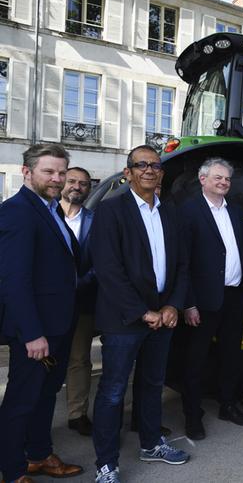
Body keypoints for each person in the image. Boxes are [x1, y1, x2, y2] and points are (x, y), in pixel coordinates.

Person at [90, 145, 189, 483]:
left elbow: (181, 266)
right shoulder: (110, 211)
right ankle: (106, 464)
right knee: (113, 391)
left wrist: (172, 305)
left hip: (163, 317)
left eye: (155, 165)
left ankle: (151, 444)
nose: (149, 170)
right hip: (124, 320)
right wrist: (142, 312)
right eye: (141, 165)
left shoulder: (170, 212)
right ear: (128, 172)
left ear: (161, 173)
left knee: (152, 384)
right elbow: (108, 270)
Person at [0, 144, 83, 482]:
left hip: (58, 324)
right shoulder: (17, 211)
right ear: (27, 172)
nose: (57, 178)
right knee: (21, 401)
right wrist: (32, 333)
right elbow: (14, 280)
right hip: (36, 331)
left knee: (46, 395)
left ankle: (38, 454)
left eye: (61, 172)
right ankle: (12, 470)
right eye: (49, 172)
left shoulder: (51, 208)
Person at [180, 158, 243, 440]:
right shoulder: (189, 211)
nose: (223, 182)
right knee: (196, 359)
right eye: (217, 178)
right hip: (203, 300)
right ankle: (192, 415)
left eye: (227, 179)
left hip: (234, 294)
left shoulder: (235, 211)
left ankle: (228, 405)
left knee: (231, 355)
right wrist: (188, 303)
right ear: (203, 180)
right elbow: (183, 262)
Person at [60, 166, 97, 437]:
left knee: (79, 360)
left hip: (83, 301)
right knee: (44, 361)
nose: (77, 187)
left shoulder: (95, 220)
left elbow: (102, 262)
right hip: (48, 304)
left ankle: (77, 414)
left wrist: (79, 283)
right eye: (72, 181)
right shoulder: (46, 216)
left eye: (83, 184)